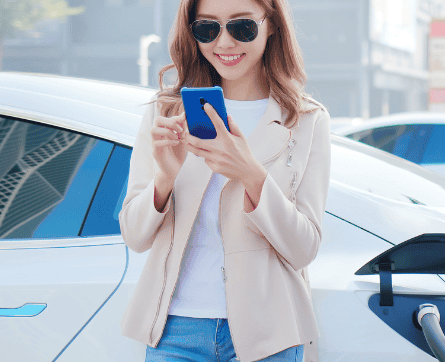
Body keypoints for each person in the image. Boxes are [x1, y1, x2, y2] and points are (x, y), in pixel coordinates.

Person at [117, 0, 330, 360]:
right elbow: (135, 236)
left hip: (268, 333)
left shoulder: (305, 119)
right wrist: (165, 178)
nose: (225, 43)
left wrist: (250, 172)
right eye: (207, 28)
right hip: (175, 332)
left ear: (272, 23)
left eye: (242, 27)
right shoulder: (167, 111)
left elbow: (303, 248)